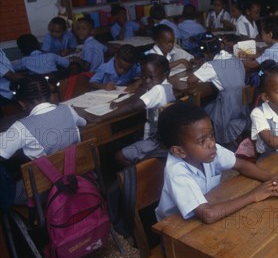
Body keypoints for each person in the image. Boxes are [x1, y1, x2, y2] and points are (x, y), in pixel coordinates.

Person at [155, 102, 278, 223]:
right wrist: (254, 195)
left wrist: (273, 179)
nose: (212, 143)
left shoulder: (209, 151)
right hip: (176, 229)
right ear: (179, 151)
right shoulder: (177, 173)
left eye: (211, 135)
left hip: (210, 206)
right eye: (202, 141)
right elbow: (208, 215)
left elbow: (242, 165)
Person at [0, 75, 87, 205]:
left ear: (22, 102)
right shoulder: (67, 109)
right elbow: (83, 122)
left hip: (44, 189)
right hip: (76, 176)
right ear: (50, 95)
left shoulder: (21, 127)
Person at [100, 54, 176, 166]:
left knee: (119, 156)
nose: (147, 81)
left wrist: (101, 118)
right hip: (163, 137)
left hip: (156, 141)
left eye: (151, 77)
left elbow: (133, 106)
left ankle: (142, 174)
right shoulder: (166, 85)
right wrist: (121, 103)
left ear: (165, 74)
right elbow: (141, 92)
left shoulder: (158, 89)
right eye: (143, 77)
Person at [187, 34, 249, 146]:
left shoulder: (211, 65)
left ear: (205, 54)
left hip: (227, 109)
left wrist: (204, 65)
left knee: (205, 108)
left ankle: (207, 137)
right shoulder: (235, 58)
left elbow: (191, 80)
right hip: (242, 105)